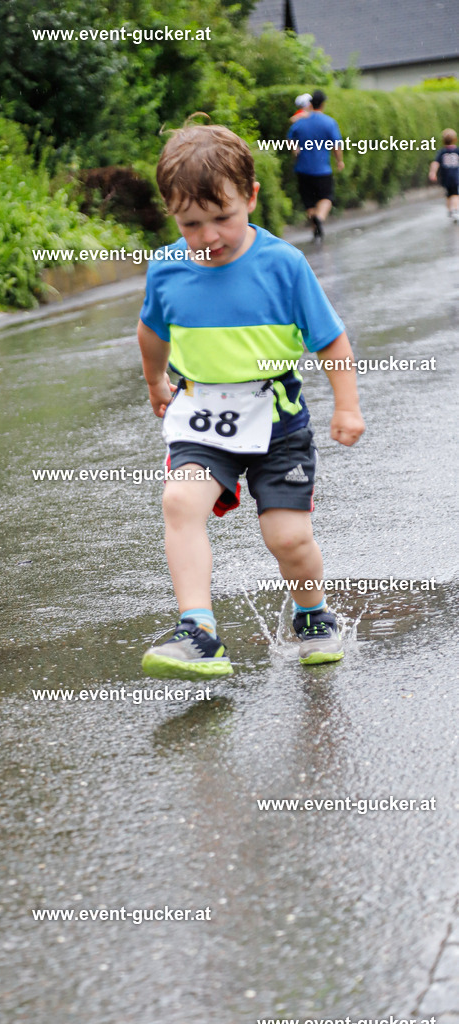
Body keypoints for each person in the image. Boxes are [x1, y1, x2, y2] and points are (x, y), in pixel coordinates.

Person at [137, 123, 365, 679]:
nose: (209, 235)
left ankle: (313, 615)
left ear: (252, 198)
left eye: (223, 217)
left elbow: (330, 339)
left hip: (277, 424)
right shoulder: (168, 267)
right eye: (192, 223)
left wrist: (346, 405)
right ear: (172, 214)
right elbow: (151, 333)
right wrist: (155, 384)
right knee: (179, 504)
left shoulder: (282, 264)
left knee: (287, 538)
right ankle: (198, 631)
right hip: (202, 417)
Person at [287, 89, 344, 240]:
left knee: (309, 202)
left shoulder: (300, 122)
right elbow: (336, 146)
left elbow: (290, 139)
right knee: (326, 197)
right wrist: (340, 161)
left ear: (311, 104)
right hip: (322, 169)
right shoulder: (329, 122)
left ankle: (316, 231)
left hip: (303, 169)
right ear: (323, 104)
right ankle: (319, 218)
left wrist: (295, 150)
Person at [429, 129, 459, 222]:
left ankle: (450, 210)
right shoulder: (457, 151)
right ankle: (455, 210)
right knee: (455, 194)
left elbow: (435, 163)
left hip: (445, 176)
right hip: (455, 176)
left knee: (448, 194)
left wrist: (432, 172)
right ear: (455, 139)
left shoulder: (441, 152)